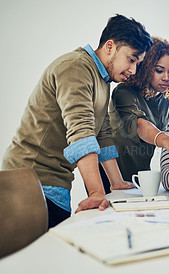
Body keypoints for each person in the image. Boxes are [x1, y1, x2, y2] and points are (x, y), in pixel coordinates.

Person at [1, 14, 153, 228]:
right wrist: (96, 192)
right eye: (131, 59)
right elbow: (81, 132)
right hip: (31, 180)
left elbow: (102, 133)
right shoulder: (76, 67)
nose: (133, 70)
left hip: (55, 182)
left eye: (138, 63)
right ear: (110, 47)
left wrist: (116, 182)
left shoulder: (102, 79)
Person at [102, 37, 169, 191]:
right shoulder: (124, 92)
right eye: (159, 70)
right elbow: (139, 125)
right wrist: (167, 141)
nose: (166, 77)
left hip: (142, 176)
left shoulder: (166, 99)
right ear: (145, 67)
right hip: (112, 176)